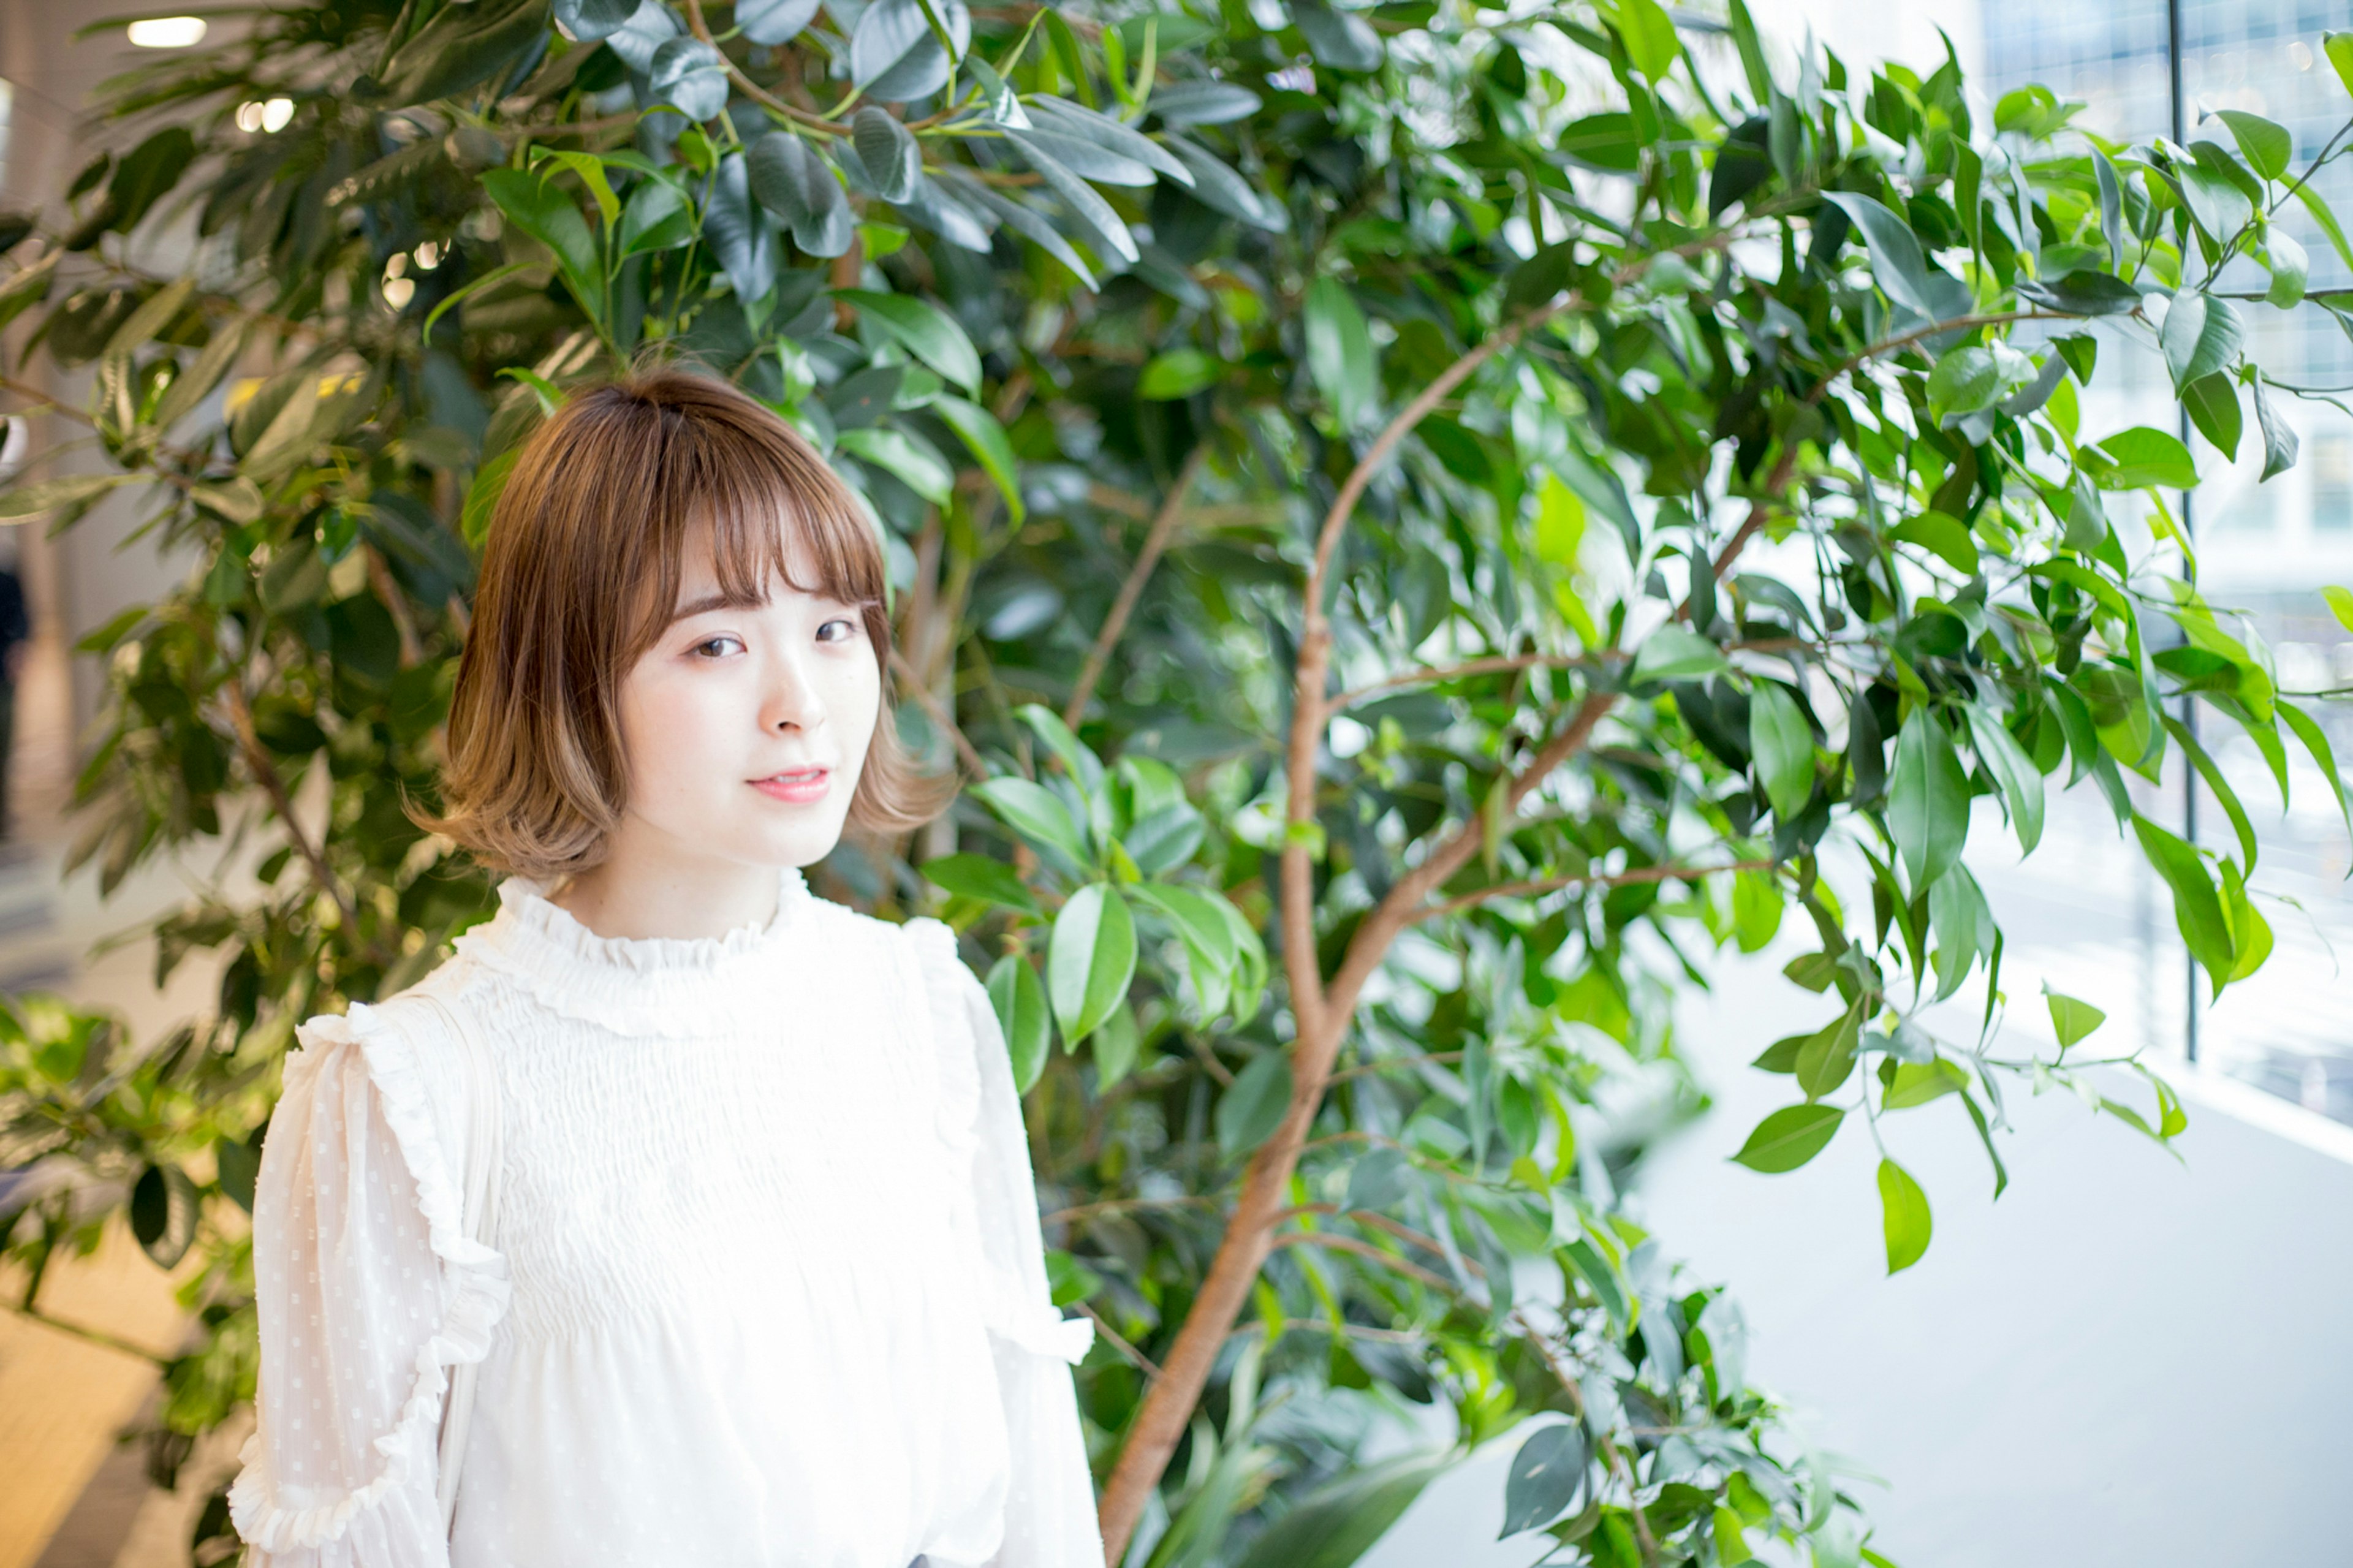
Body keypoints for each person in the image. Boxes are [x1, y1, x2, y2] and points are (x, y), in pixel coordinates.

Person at [227, 366, 1102, 1568]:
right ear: (575, 681)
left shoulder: (917, 1012)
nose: (804, 701)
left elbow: (1034, 1489)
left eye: (835, 626)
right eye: (718, 641)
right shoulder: (413, 1094)